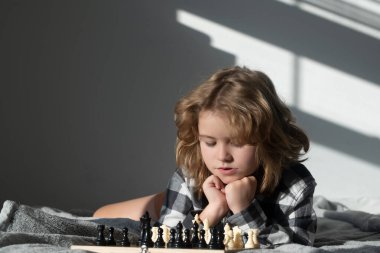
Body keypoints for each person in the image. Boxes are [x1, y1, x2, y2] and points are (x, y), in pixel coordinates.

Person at [94, 66, 317, 247]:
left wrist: (244, 209)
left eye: (238, 143)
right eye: (209, 142)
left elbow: (299, 245)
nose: (222, 157)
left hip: (207, 207)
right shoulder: (190, 175)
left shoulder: (295, 184)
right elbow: (170, 242)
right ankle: (160, 200)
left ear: (268, 139)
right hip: (175, 204)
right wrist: (214, 209)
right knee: (101, 215)